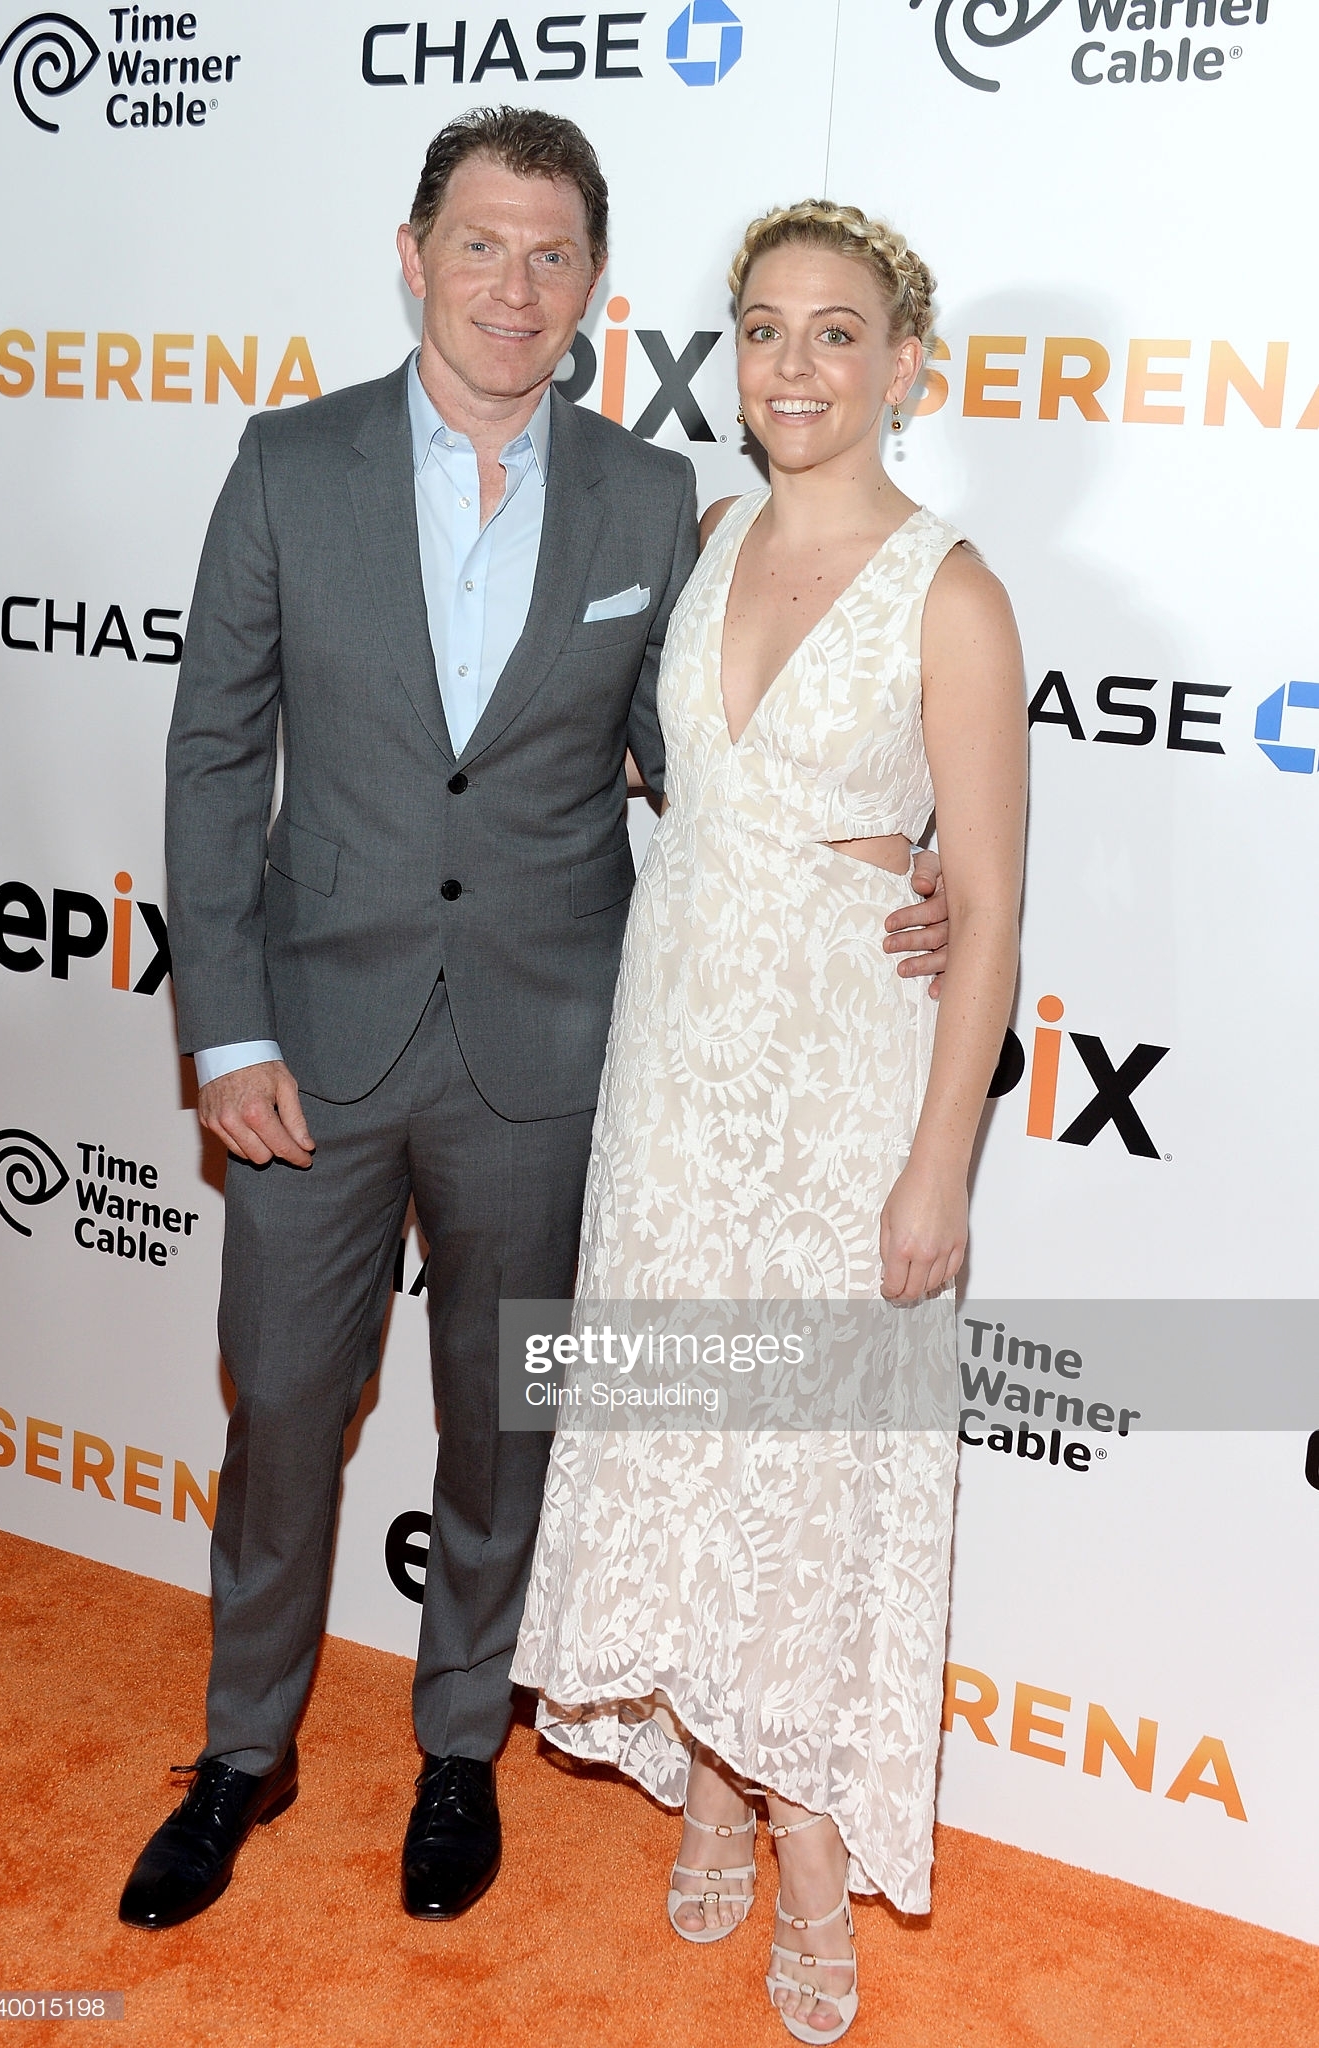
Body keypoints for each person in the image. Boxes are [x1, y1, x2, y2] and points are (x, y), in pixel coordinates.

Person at [118, 115, 951, 1935]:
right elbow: (211, 755)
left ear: (593, 288)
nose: (515, 286)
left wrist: (908, 861)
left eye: (552, 254)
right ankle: (240, 1753)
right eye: (481, 245)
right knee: (282, 1408)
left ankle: (457, 1748)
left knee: (506, 1423)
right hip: (312, 1049)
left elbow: (707, 756)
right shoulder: (288, 463)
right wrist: (225, 1031)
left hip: (555, 1053)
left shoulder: (651, 501)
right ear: (412, 254)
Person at [512, 201, 1025, 2043]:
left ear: (904, 365)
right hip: (672, 1070)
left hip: (835, 1093)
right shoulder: (703, 538)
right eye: (761, 329)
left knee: (802, 1464)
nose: (792, 365)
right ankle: (712, 1778)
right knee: (682, 1427)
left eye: (835, 331)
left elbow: (990, 912)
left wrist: (937, 1165)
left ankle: (806, 1837)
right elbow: (655, 778)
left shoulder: (952, 592)